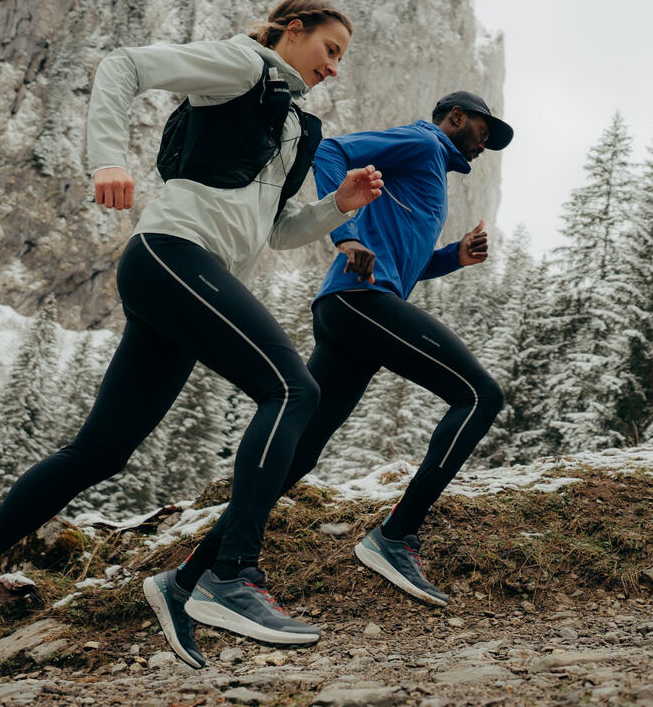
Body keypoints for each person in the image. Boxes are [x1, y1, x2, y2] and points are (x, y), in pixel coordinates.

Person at [0, 0, 383, 675]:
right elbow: (123, 65)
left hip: (193, 281)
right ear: (293, 30)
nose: (334, 67)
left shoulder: (295, 124)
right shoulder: (244, 66)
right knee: (293, 390)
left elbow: (274, 231)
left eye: (342, 60)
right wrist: (107, 159)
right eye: (330, 50)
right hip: (171, 254)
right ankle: (228, 576)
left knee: (98, 453)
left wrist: (338, 207)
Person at [169, 91, 512, 618]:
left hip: (354, 312)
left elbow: (402, 261)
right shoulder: (423, 142)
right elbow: (331, 151)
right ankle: (395, 536)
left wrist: (453, 258)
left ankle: (188, 579)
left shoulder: (430, 172)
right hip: (359, 302)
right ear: (457, 117)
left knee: (300, 452)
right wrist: (345, 235)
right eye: (484, 131)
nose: (485, 143)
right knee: (480, 395)